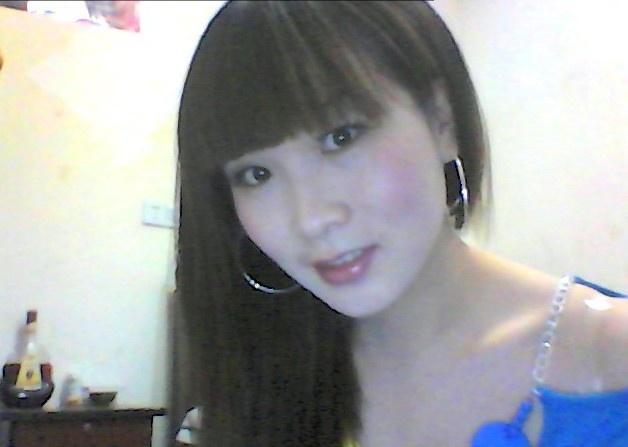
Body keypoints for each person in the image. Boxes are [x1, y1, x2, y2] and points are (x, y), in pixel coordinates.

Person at [174, 1, 628, 446]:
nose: (311, 218)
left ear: (443, 123)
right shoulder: (258, 384)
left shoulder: (610, 359)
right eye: (257, 174)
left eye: (341, 137)